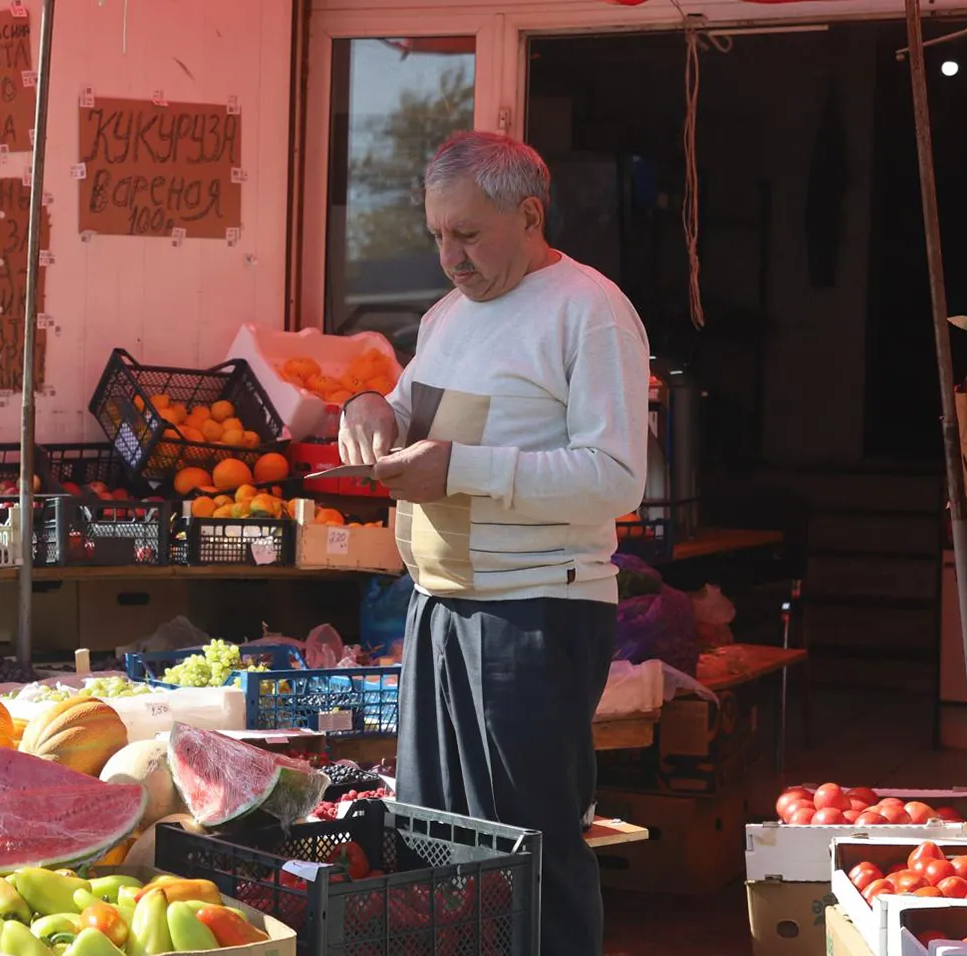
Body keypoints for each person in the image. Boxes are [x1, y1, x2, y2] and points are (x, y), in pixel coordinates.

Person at [337, 130, 649, 956]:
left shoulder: (591, 310)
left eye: (468, 235)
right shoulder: (446, 316)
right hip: (439, 608)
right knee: (439, 847)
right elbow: (406, 412)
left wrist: (463, 468)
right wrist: (371, 409)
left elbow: (617, 479)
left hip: (537, 613)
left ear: (530, 214)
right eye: (438, 234)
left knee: (528, 852)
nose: (450, 257)